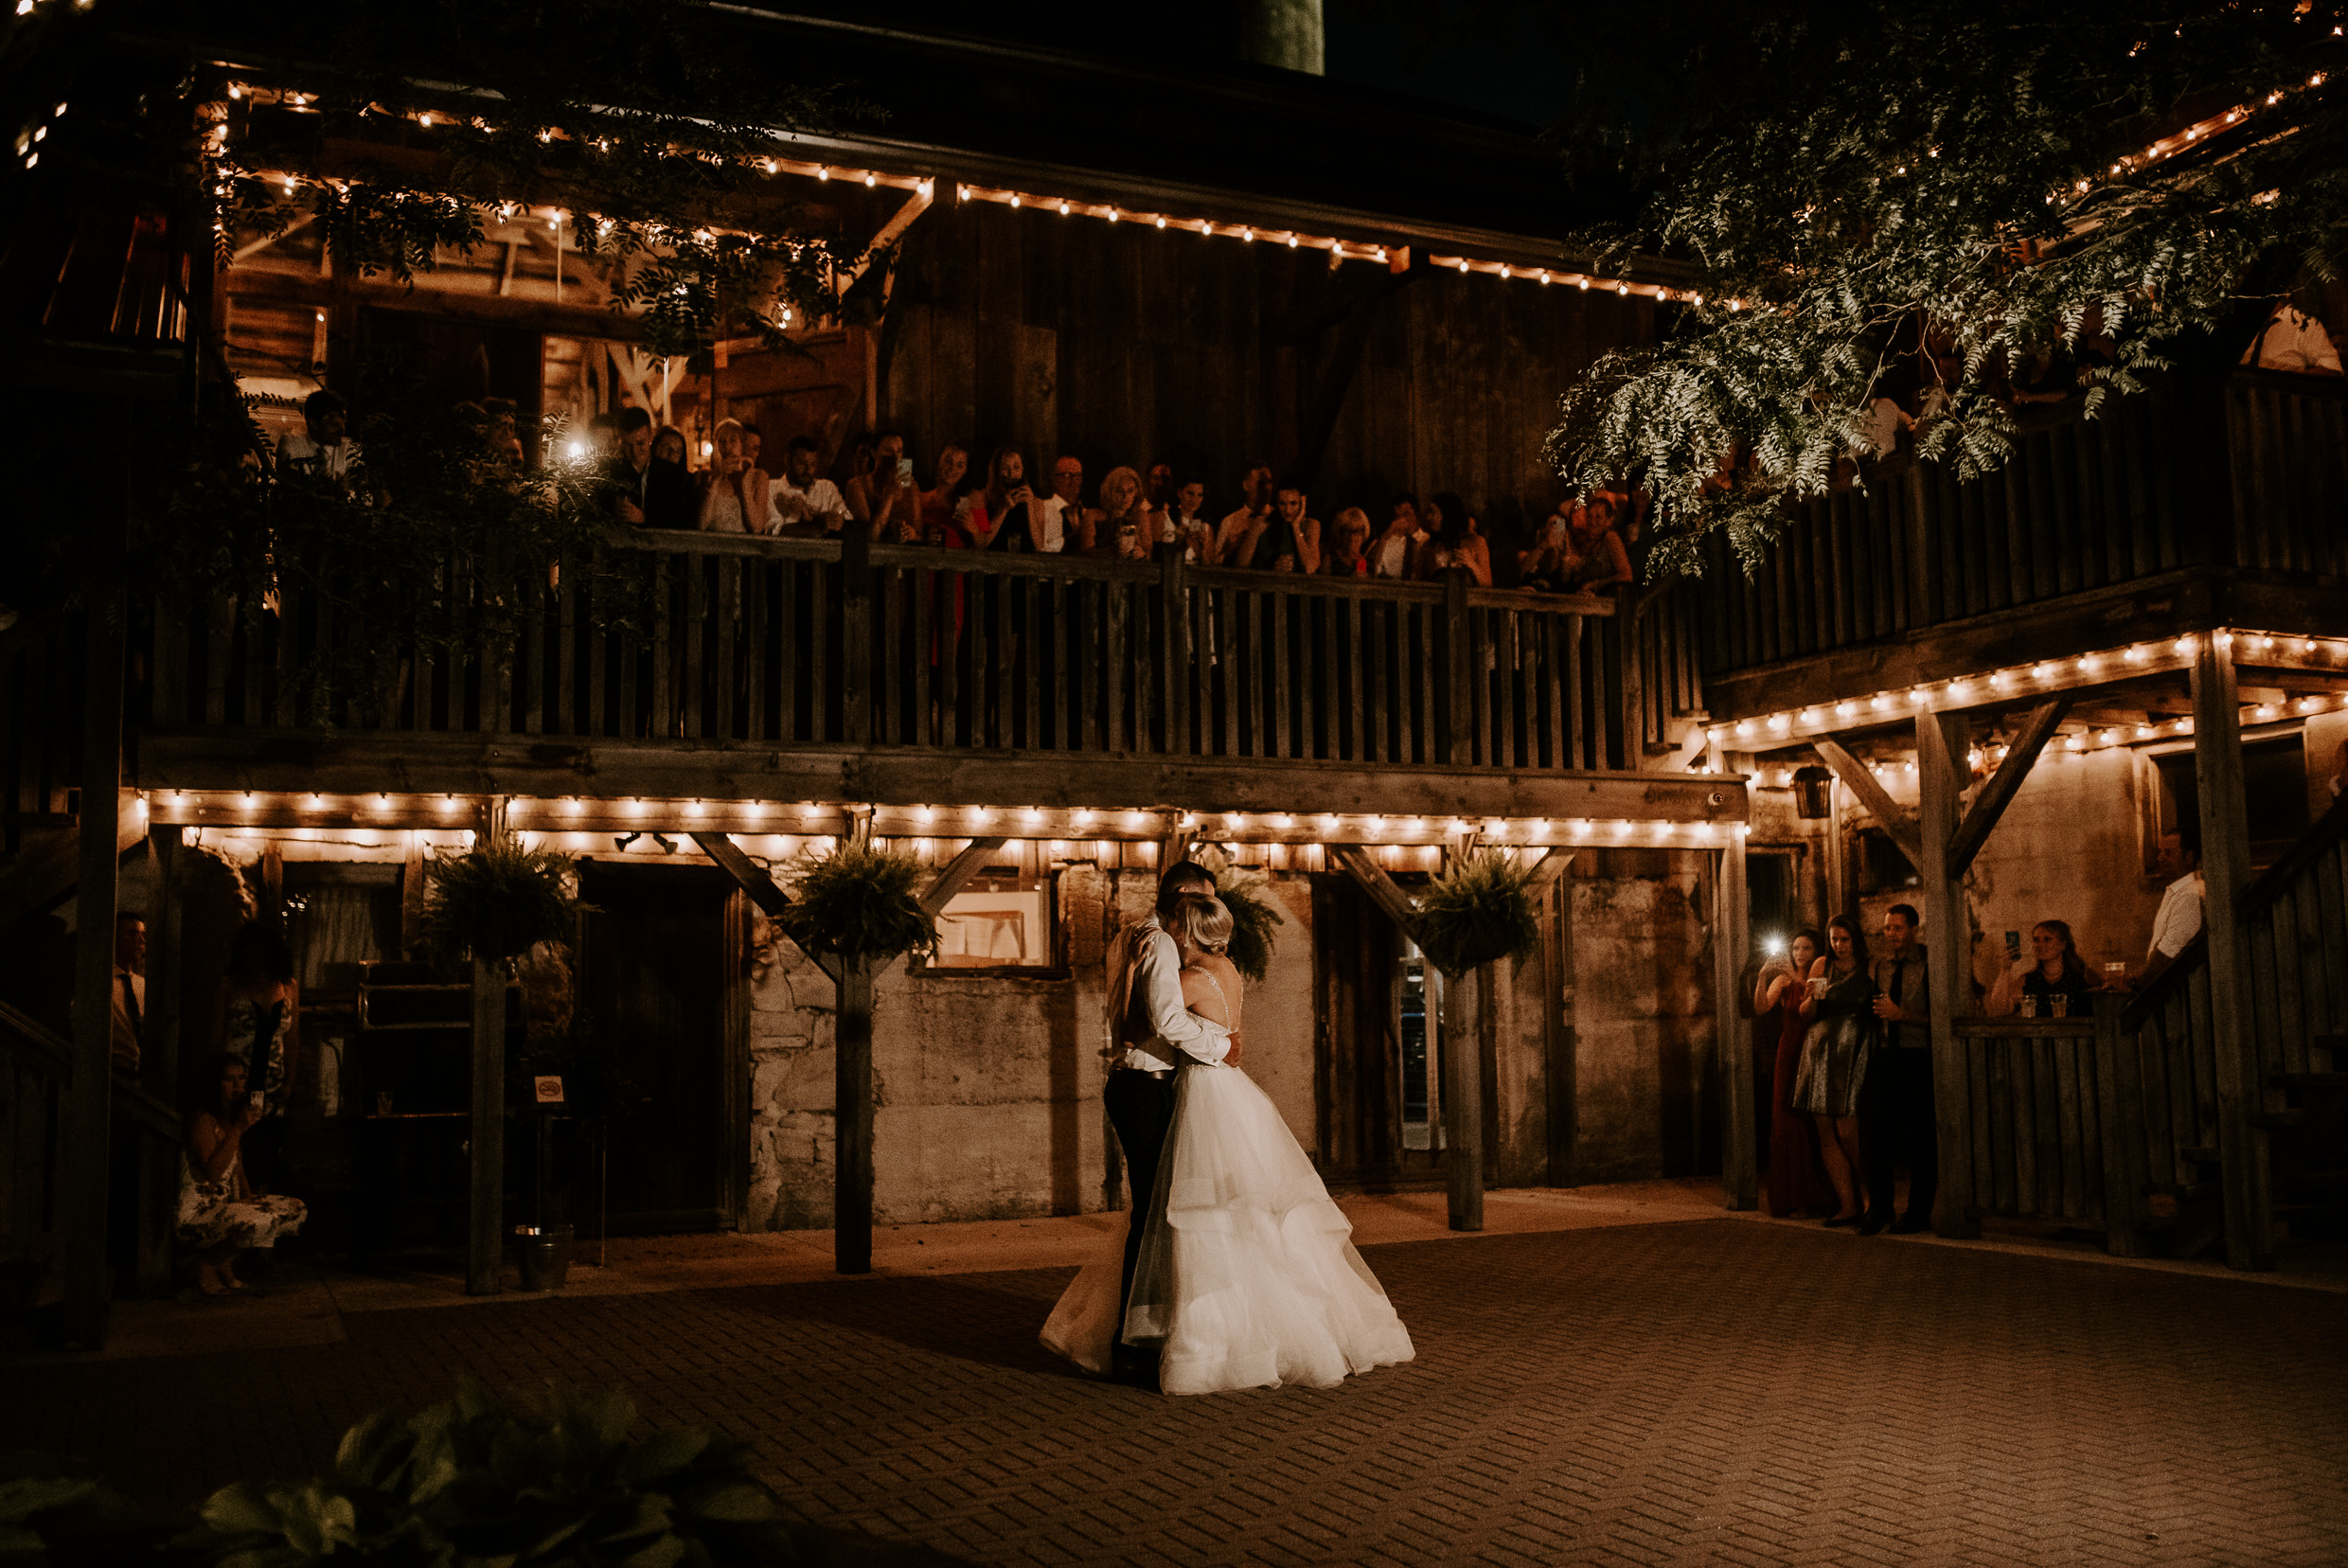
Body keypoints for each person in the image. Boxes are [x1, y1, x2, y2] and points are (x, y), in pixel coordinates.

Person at [1041, 892, 1414, 1395]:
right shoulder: (1230, 969)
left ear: (1189, 931)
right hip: (1232, 1092)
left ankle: (1210, 1334)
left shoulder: (1190, 977)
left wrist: (1138, 980)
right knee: (1238, 1212)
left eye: (1174, 924)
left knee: (1199, 1214)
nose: (1168, 931)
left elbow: (1156, 1023)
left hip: (1203, 1089)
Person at [1076, 860, 1232, 1387]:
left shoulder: (1135, 933)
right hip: (1147, 1086)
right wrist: (1220, 1044)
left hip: (1139, 1084)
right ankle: (1135, 1343)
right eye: (1199, 905)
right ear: (1181, 900)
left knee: (1157, 1212)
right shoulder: (1161, 943)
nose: (1201, 918)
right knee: (1154, 1216)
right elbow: (1165, 1018)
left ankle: (1148, 1333)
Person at [178, 1054, 306, 1296]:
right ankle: (204, 1265)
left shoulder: (229, 1121)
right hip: (199, 1214)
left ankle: (223, 1263)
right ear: (215, 1084)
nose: (238, 1085)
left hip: (225, 1208)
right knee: (257, 1220)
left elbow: (238, 1170)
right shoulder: (202, 1121)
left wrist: (247, 1197)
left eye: (241, 1078)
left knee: (294, 1210)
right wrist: (238, 1129)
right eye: (229, 1079)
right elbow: (214, 1173)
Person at [1789, 916, 1873, 1226]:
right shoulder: (1822, 965)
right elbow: (1808, 1011)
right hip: (1821, 1048)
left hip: (1853, 1048)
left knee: (1849, 1130)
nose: (1839, 945)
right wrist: (1810, 999)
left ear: (1855, 939)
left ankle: (1873, 1199)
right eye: (1834, 939)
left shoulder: (1869, 966)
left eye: (1844, 939)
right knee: (1825, 1128)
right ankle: (1847, 1204)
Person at [1859, 903, 1934, 1236]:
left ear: (1914, 929)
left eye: (1898, 928)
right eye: (1888, 928)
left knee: (1921, 1139)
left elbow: (1941, 1017)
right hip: (1885, 1056)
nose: (1891, 934)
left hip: (1917, 1056)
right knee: (1875, 1135)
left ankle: (1918, 1213)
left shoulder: (1930, 964)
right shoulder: (1881, 966)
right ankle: (1880, 1208)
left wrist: (1901, 1014)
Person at [1755, 929, 1838, 1220]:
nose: (1800, 953)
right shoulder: (1782, 978)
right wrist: (1764, 975)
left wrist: (1793, 974)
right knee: (1785, 1117)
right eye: (1795, 948)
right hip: (1788, 1049)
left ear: (1815, 950)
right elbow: (1762, 1007)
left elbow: (1818, 1001)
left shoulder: (1821, 971)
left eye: (1805, 948)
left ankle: (1819, 1195)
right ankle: (1791, 1196)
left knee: (1811, 1120)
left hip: (1813, 1046)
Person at [215, 922, 299, 1193]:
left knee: (268, 1150)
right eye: (249, 949)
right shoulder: (229, 986)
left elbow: (292, 1038)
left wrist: (289, 1081)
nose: (254, 956)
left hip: (272, 1086)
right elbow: (214, 1038)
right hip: (236, 1084)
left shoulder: (288, 987)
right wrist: (217, 1081)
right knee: (237, 1147)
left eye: (260, 950)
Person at [2124, 829, 2204, 991]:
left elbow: (2169, 952)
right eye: (2160, 852)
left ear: (2189, 857)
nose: (2160, 858)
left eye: (2168, 853)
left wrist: (2135, 983)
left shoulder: (2189, 895)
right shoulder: (2177, 891)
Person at [1985, 919, 2097, 1018]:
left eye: (2047, 939)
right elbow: (1999, 1010)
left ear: (2063, 944)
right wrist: (2005, 969)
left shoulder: (2083, 974)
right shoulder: (2028, 980)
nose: (2040, 945)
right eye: (2036, 940)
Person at [766, 437, 851, 536]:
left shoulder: (827, 488)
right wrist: (819, 526)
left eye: (813, 464)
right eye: (802, 464)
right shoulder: (770, 488)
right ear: (787, 460)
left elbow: (848, 519)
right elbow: (773, 531)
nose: (808, 470)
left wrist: (812, 514)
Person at [277, 389, 360, 488]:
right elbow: (292, 486)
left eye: (343, 424)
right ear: (313, 423)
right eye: (334, 425)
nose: (342, 431)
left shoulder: (349, 450)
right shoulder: (292, 444)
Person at [848, 430, 920, 541]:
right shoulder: (857, 485)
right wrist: (890, 494)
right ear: (874, 453)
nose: (895, 457)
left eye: (899, 451)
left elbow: (920, 533)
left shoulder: (911, 485)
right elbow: (869, 537)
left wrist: (912, 534)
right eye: (888, 451)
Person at [971, 445, 1046, 551]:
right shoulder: (981, 498)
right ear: (996, 471)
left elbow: (1038, 546)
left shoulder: (1036, 502)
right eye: (1005, 468)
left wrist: (1030, 507)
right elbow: (981, 544)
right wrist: (1003, 510)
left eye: (1016, 468)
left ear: (1023, 469)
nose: (1011, 474)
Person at [695, 419, 762, 534]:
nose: (727, 446)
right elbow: (701, 525)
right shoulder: (704, 476)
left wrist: (744, 482)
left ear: (742, 445)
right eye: (721, 441)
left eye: (733, 440)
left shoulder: (758, 477)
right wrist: (716, 481)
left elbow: (756, 527)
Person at [1415, 492, 1494, 587]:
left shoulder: (1476, 542)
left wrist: (1471, 563)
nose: (1428, 517)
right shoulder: (1429, 546)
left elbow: (1488, 584)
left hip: (1470, 599)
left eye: (1433, 512)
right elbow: (1417, 583)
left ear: (1447, 514)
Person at [1566, 494, 1634, 593]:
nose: (1593, 521)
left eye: (1598, 517)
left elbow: (1626, 575)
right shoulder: (1588, 542)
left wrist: (1595, 585)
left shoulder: (1611, 538)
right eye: (1590, 516)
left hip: (1606, 602)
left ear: (1609, 520)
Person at [1215, 463, 1276, 567]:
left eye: (1269, 482)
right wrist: (1230, 550)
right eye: (1261, 483)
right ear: (1246, 485)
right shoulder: (1229, 522)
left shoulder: (1278, 517)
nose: (1267, 488)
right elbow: (1215, 563)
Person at [110, 910, 147, 1075]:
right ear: (115, 937)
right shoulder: (103, 984)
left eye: (142, 934)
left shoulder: (143, 985)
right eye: (132, 934)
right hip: (113, 1069)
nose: (141, 941)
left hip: (142, 1070)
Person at [1039, 454, 1098, 555]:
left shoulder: (1086, 513)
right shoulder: (1044, 508)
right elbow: (1043, 548)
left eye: (1078, 476)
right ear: (1054, 479)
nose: (1074, 481)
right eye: (1067, 476)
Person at [607, 407, 656, 524]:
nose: (634, 451)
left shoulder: (666, 472)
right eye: (628, 445)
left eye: (640, 443)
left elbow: (676, 516)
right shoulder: (610, 472)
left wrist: (644, 518)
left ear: (651, 435)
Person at [644, 425, 698, 530]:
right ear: (655, 448)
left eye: (677, 451)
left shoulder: (687, 483)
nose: (672, 454)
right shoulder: (645, 476)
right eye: (666, 447)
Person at [918, 444, 973, 545]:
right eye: (948, 461)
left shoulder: (974, 500)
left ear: (965, 471)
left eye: (959, 465)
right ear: (939, 461)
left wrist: (974, 529)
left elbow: (985, 540)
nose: (952, 468)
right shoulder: (920, 498)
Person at [1097, 465, 1151, 560]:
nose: (1125, 496)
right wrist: (1111, 551)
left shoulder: (1140, 516)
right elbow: (1086, 554)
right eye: (1119, 491)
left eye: (1130, 491)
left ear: (1136, 492)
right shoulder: (1097, 516)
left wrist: (1142, 554)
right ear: (1110, 491)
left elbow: (1149, 554)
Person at [1163, 477, 1218, 563]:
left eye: (1199, 495)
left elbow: (1210, 566)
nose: (1194, 500)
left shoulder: (1205, 528)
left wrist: (1199, 548)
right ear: (1179, 493)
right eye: (1190, 493)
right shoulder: (1165, 519)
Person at [1369, 499, 1420, 580]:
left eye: (1406, 514)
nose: (1401, 520)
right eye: (1397, 516)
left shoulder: (1422, 540)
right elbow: (1370, 565)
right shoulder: (1383, 539)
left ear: (1416, 515)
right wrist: (1386, 536)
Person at [1325, 508, 1372, 577]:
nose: (1352, 537)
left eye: (1357, 531)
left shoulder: (1368, 562)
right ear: (1340, 533)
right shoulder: (1330, 559)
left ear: (1363, 534)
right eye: (1347, 531)